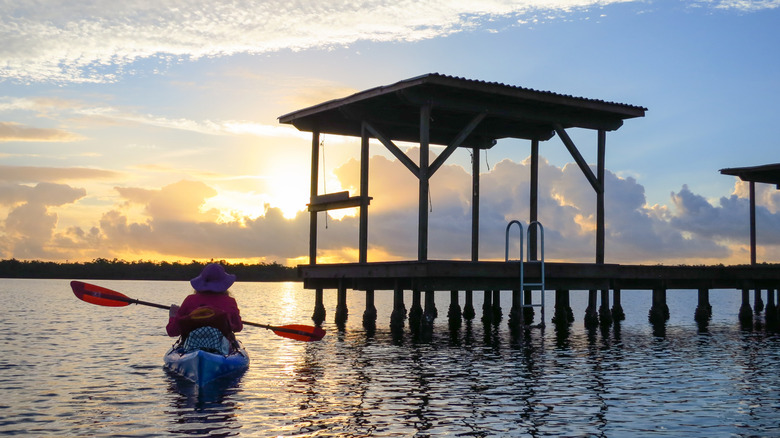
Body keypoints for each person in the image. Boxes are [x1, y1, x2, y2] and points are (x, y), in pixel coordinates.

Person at [166, 263, 243, 354]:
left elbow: (172, 331)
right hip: (222, 350)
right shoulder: (230, 301)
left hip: (190, 349)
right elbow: (238, 327)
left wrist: (173, 316)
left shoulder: (190, 300)